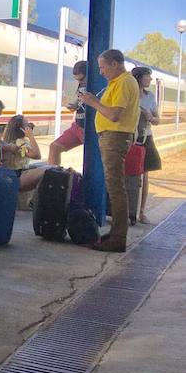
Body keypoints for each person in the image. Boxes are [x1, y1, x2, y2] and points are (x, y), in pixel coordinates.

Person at [78, 49, 141, 252]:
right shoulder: (118, 82)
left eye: (103, 67)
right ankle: (115, 233)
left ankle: (118, 239)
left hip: (115, 137)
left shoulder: (123, 82)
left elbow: (114, 115)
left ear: (115, 64)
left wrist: (93, 102)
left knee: (115, 187)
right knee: (114, 186)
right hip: (113, 137)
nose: (101, 71)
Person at [131, 66, 161, 224]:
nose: (150, 79)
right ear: (139, 78)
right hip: (130, 138)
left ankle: (141, 212)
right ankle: (129, 211)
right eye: (147, 76)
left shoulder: (150, 97)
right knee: (130, 176)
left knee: (145, 175)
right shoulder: (130, 94)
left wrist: (150, 117)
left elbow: (157, 120)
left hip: (145, 139)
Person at [49, 61, 88, 165]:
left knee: (90, 159)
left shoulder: (97, 86)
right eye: (77, 80)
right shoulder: (81, 85)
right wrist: (75, 106)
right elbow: (80, 101)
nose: (80, 82)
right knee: (54, 147)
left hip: (89, 129)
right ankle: (53, 175)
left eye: (82, 79)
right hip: (78, 125)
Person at [1, 115, 49, 192]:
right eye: (27, 124)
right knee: (45, 171)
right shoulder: (20, 142)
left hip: (12, 172)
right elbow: (37, 155)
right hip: (17, 174)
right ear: (20, 128)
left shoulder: (8, 141)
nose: (30, 126)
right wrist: (31, 137)